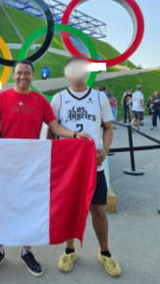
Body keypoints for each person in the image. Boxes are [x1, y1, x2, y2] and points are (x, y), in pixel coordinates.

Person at [0, 60, 92, 277]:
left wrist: (76, 135)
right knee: (3, 205)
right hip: (6, 163)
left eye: (27, 73)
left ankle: (27, 251)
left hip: (32, 164)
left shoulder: (40, 100)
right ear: (14, 75)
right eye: (19, 73)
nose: (23, 76)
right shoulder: (2, 97)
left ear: (33, 76)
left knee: (29, 205)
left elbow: (55, 126)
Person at [49, 56, 121, 277]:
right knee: (70, 209)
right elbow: (52, 131)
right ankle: (69, 250)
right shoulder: (59, 98)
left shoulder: (99, 98)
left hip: (93, 164)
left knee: (98, 209)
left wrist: (105, 151)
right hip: (68, 167)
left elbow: (108, 128)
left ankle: (105, 252)